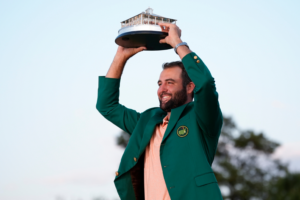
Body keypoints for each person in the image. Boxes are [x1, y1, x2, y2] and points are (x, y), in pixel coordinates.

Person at [96, 23, 223, 200]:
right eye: (159, 83)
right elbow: (106, 106)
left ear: (189, 87)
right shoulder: (147, 121)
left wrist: (178, 43)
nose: (162, 89)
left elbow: (206, 84)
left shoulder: (201, 117)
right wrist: (120, 57)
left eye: (170, 83)